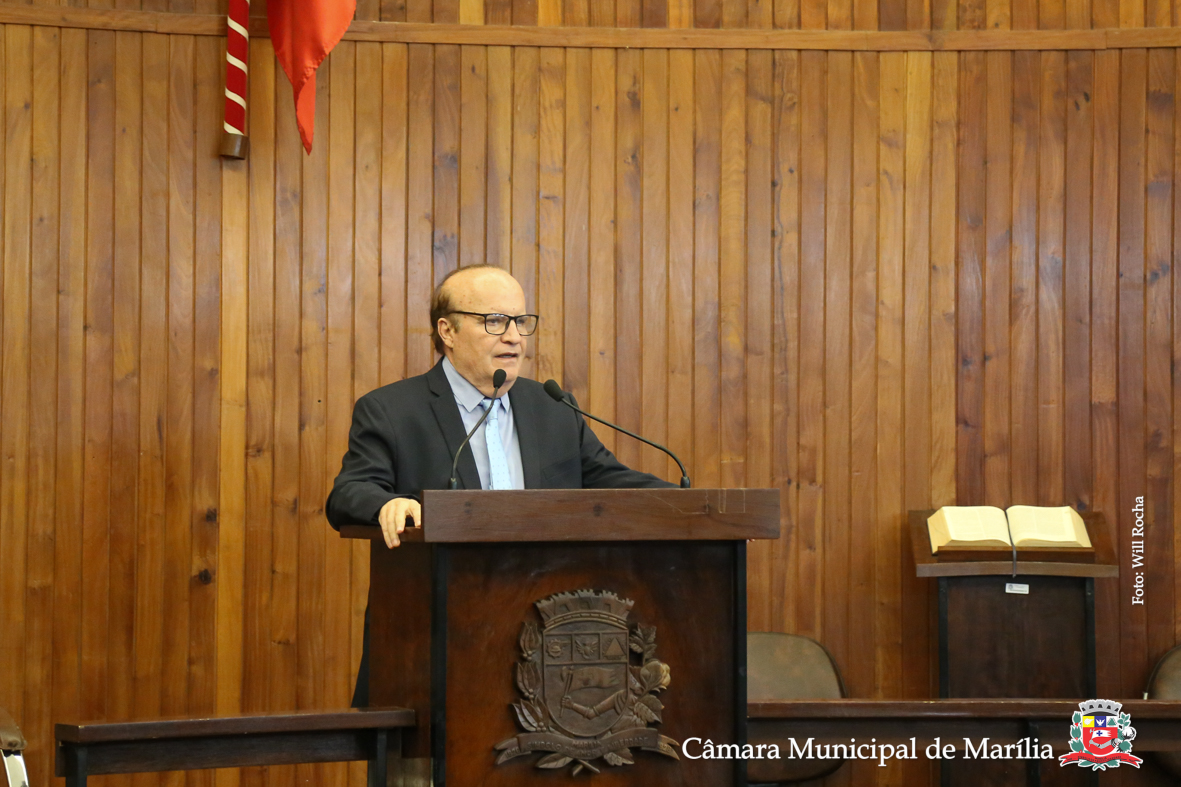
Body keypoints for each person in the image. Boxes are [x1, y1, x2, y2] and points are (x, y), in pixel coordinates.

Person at [326, 264, 674, 703]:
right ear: (447, 331)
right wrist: (386, 504)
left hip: (547, 644)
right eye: (494, 321)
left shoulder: (552, 407)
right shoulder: (392, 410)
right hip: (434, 641)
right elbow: (350, 491)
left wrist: (693, 507)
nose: (513, 337)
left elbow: (611, 481)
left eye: (521, 321)